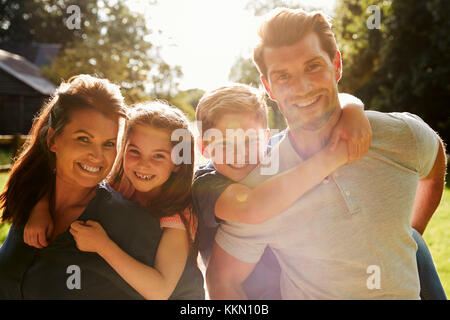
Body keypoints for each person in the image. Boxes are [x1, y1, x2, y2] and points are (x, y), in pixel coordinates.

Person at [206, 8, 447, 299]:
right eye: (283, 76)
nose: (302, 87)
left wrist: (412, 231)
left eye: (313, 67)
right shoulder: (261, 188)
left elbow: (434, 156)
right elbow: (222, 281)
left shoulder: (400, 135)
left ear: (336, 65)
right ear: (267, 86)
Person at [0, 75, 204, 299]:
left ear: (177, 162)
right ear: (52, 140)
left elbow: (169, 291)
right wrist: (39, 206)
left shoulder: (157, 220)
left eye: (108, 143)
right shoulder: (33, 197)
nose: (97, 156)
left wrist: (104, 246)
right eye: (84, 139)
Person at [193, 83, 372, 299]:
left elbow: (324, 108)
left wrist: (353, 109)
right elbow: (252, 207)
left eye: (250, 140)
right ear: (204, 148)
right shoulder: (205, 183)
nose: (239, 153)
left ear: (266, 137)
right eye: (224, 143)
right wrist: (334, 157)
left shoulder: (275, 154)